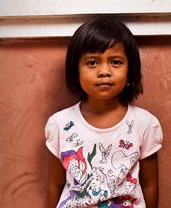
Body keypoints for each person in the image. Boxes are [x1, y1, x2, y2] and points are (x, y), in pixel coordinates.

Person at [45, 17, 163, 208]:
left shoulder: (144, 123)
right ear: (75, 70)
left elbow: (149, 185)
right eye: (92, 63)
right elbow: (55, 184)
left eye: (115, 62)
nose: (104, 71)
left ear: (130, 69)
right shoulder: (60, 124)